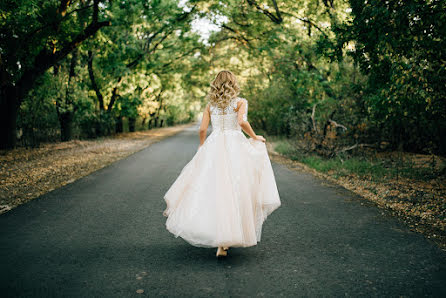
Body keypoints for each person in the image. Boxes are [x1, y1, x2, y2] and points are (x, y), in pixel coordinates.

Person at [163, 70, 281, 257]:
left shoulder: (211, 105)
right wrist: (254, 136)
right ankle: (226, 240)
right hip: (236, 145)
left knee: (213, 190)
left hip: (214, 144)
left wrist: (202, 147)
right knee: (237, 188)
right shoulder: (241, 102)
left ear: (215, 84)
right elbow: (241, 122)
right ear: (233, 83)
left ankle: (219, 237)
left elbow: (202, 129)